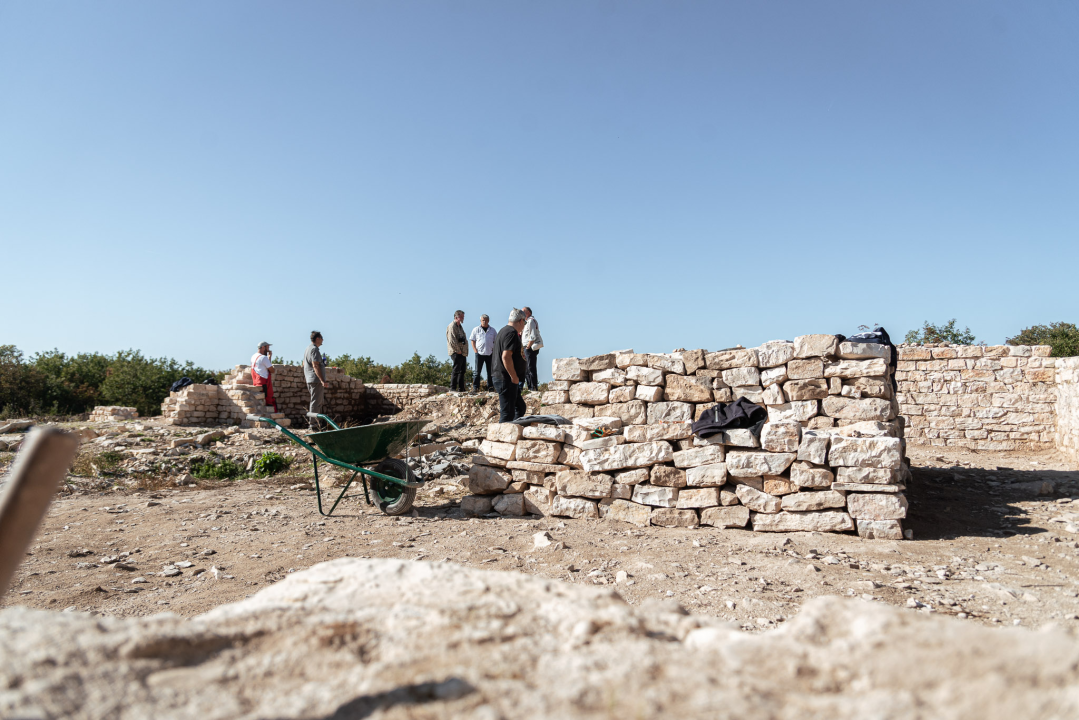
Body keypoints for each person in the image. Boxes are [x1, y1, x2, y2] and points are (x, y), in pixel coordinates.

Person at [492, 308, 528, 422]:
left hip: (505, 378)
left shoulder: (503, 331)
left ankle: (513, 430)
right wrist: (514, 377)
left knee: (520, 407)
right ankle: (501, 437)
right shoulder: (511, 333)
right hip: (506, 379)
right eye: (525, 322)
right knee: (507, 413)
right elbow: (506, 356)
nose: (524, 325)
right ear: (521, 321)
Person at [303, 330, 329, 422]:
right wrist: (322, 380)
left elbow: (304, 363)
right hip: (315, 380)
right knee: (316, 402)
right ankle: (313, 425)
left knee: (315, 401)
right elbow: (315, 365)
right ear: (317, 339)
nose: (323, 340)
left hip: (310, 379)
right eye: (321, 338)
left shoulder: (308, 349)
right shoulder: (314, 349)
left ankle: (315, 423)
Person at [469, 314, 496, 392]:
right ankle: (475, 387)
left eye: (486, 320)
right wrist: (475, 350)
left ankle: (490, 387)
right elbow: (472, 340)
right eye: (483, 320)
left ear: (488, 321)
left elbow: (496, 341)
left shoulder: (493, 330)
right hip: (479, 353)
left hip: (490, 353)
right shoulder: (476, 329)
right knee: (477, 372)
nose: (484, 321)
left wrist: (494, 351)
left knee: (490, 372)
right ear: (480, 321)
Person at [250, 341, 277, 412]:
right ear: (263, 347)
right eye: (267, 347)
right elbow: (271, 370)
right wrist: (268, 357)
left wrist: (269, 357)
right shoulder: (263, 358)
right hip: (264, 382)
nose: (268, 350)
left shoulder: (253, 356)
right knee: (268, 401)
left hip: (256, 381)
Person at [522, 306, 544, 391]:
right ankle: (530, 387)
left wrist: (528, 347)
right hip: (526, 347)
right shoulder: (526, 322)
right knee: (527, 368)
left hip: (530, 347)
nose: (521, 313)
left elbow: (533, 336)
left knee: (531, 367)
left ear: (528, 312)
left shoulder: (531, 321)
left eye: (523, 311)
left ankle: (533, 387)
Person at [446, 310, 469, 392]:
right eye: (461, 317)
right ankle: (453, 388)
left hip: (462, 352)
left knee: (462, 370)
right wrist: (458, 350)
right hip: (456, 352)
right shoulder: (452, 326)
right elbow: (452, 340)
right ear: (456, 317)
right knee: (456, 369)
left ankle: (461, 388)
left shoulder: (460, 326)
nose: (463, 318)